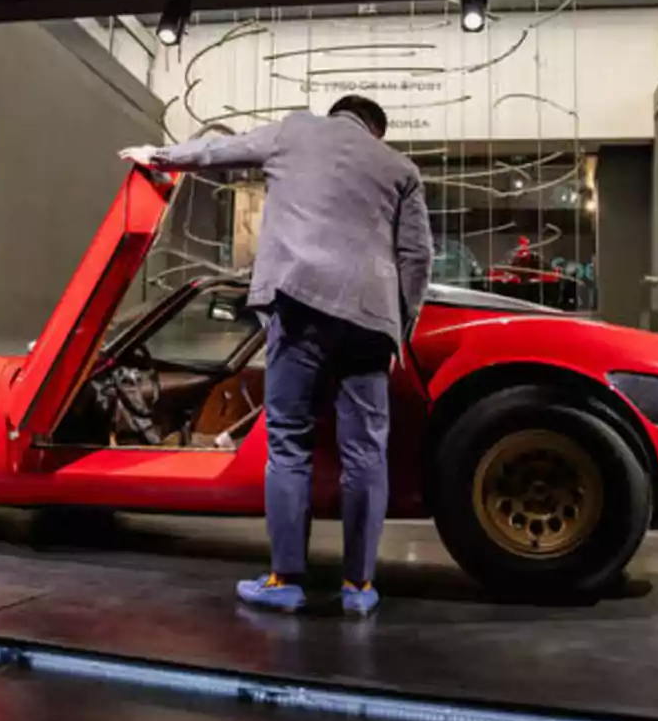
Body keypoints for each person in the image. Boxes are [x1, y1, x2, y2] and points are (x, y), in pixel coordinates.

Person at [119, 96, 433, 616]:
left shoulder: (294, 131)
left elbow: (222, 150)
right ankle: (358, 588)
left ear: (336, 114)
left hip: (300, 302)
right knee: (366, 453)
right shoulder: (399, 168)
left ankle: (285, 580)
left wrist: (160, 154)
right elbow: (416, 256)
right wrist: (399, 326)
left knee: (288, 441)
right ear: (375, 129)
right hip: (370, 321)